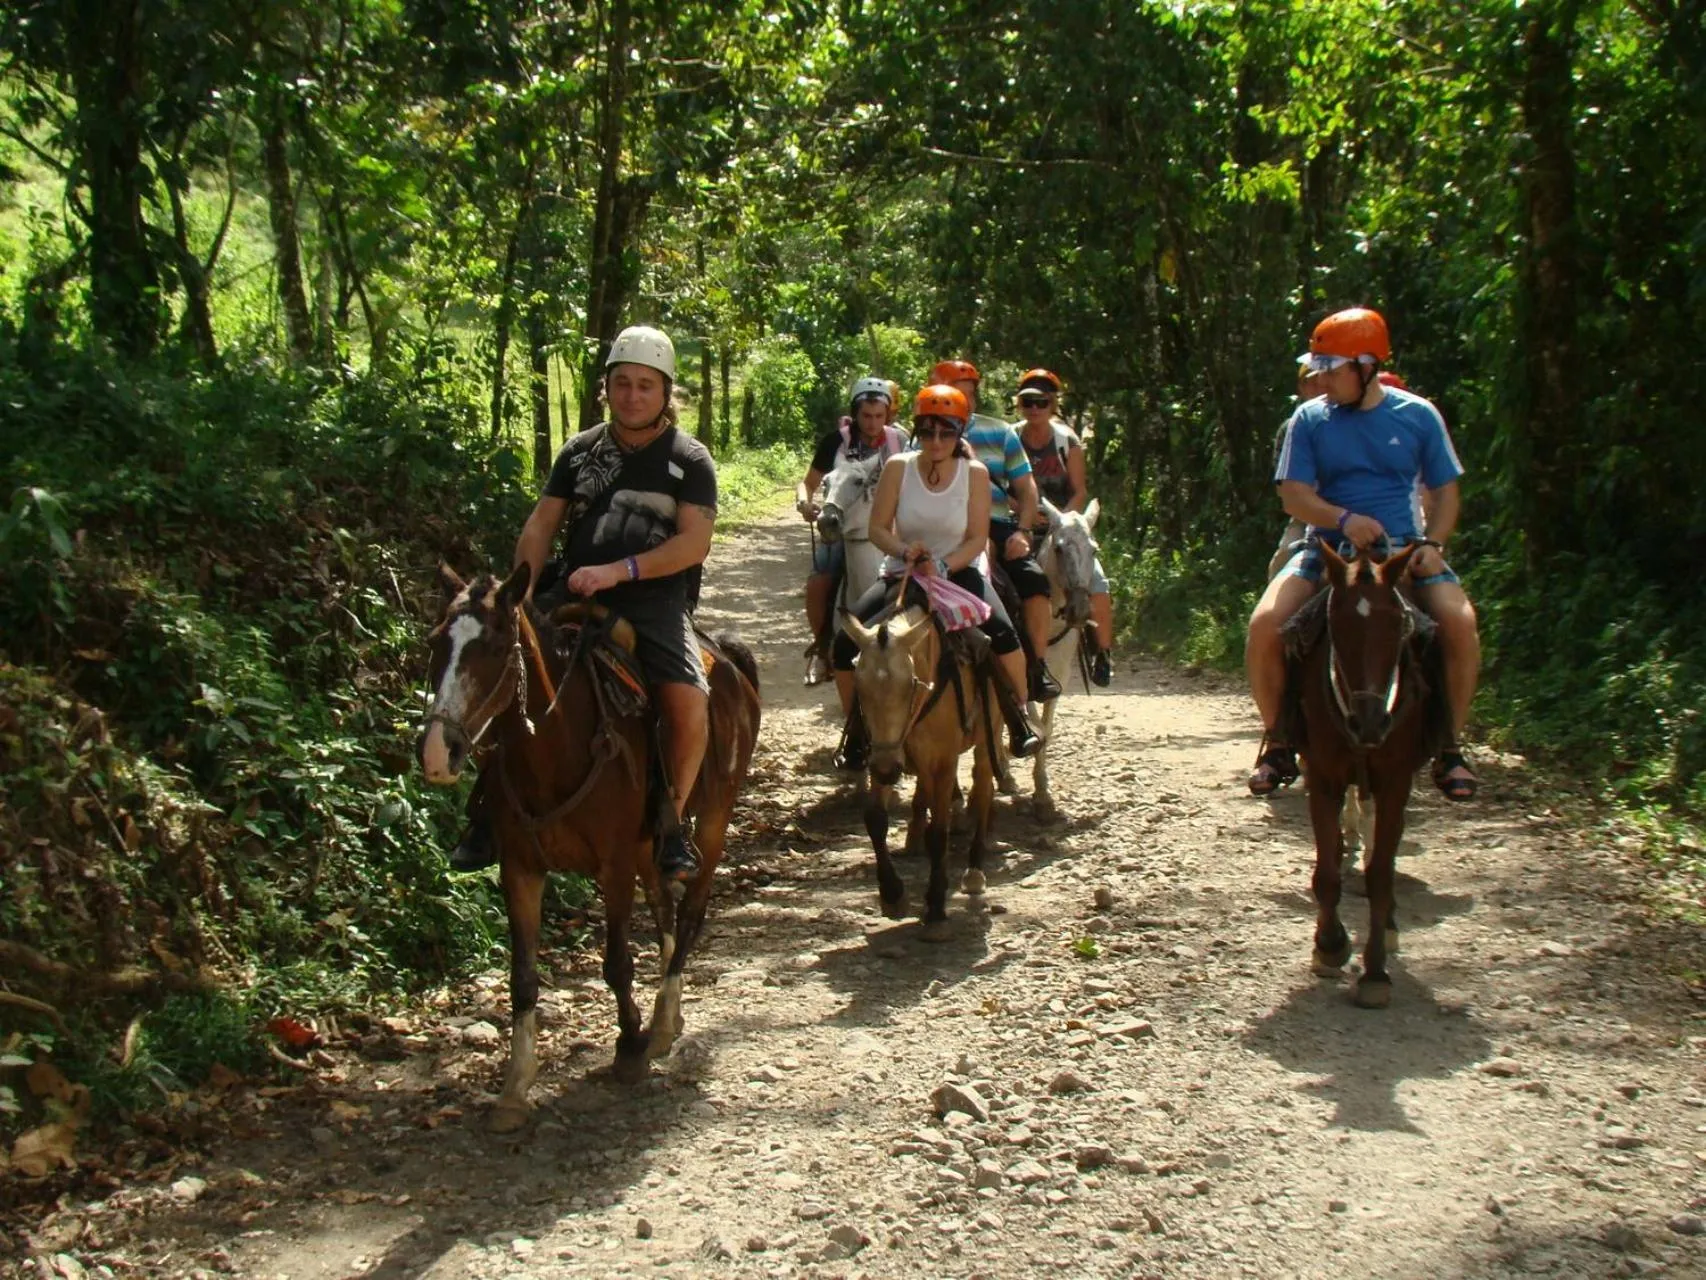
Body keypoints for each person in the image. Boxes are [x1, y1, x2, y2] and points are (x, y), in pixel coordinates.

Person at [451, 324, 718, 883]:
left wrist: (620, 570)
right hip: (570, 588)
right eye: (622, 383)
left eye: (646, 385)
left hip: (655, 600)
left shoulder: (689, 459)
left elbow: (694, 543)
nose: (632, 395)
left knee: (690, 700)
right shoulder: (579, 452)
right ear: (607, 388)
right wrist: (517, 592)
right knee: (508, 672)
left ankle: (670, 822)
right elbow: (541, 523)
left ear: (666, 391)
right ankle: (486, 815)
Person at [1245, 308, 1481, 801]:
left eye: (1331, 368)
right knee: (1265, 626)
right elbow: (1293, 495)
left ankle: (1450, 748)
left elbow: (1446, 494)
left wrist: (1433, 546)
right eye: (1319, 368)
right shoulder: (1308, 420)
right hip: (1327, 550)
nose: (1321, 378)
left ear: (1367, 365)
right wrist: (1343, 520)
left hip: (1403, 552)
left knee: (1460, 624)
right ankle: (1279, 740)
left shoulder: (1418, 416)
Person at [830, 385, 1043, 760]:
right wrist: (903, 550)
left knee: (1006, 635)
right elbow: (879, 528)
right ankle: (857, 730)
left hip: (958, 570)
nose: (936, 440)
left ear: (959, 432)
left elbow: (977, 537)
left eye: (946, 432)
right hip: (903, 572)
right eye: (927, 431)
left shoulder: (974, 474)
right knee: (846, 643)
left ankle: (1019, 718)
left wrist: (944, 565)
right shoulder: (898, 468)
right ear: (917, 431)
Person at [931, 358, 1060, 703]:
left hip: (998, 525)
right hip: (944, 532)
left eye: (970, 394)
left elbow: (1026, 488)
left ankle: (1037, 667)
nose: (966, 402)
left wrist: (1022, 531)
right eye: (958, 393)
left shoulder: (1000, 432)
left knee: (1035, 583)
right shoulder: (924, 438)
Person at [796, 377, 910, 676]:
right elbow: (807, 484)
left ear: (888, 416)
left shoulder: (902, 442)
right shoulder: (835, 441)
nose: (872, 423)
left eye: (879, 416)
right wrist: (804, 503)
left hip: (891, 527)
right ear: (856, 414)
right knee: (820, 579)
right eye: (866, 416)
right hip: (842, 527)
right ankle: (823, 647)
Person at [1011, 367, 1116, 686]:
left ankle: (1103, 651)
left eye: (1041, 402)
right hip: (1021, 522)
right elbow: (1001, 483)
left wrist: (1062, 522)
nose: (1034, 409)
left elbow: (1080, 490)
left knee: (1096, 579)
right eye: (1028, 402)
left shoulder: (1067, 440)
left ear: (1052, 403)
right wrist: (1023, 512)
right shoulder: (1011, 437)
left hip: (1064, 524)